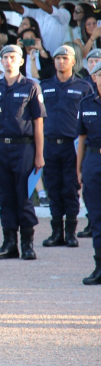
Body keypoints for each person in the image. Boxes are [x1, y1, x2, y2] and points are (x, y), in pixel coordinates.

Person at [0, 45, 46, 261]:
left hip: (24, 147)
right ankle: (9, 243)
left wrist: (39, 154)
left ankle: (27, 243)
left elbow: (38, 123)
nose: (8, 61)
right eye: (5, 57)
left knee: (24, 196)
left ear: (21, 61)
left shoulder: (31, 87)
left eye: (13, 57)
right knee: (5, 196)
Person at [38, 45, 90, 248]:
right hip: (50, 145)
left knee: (70, 188)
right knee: (53, 189)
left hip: (72, 146)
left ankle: (70, 232)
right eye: (58, 58)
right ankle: (56, 232)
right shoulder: (44, 86)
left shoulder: (83, 87)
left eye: (65, 58)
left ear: (73, 62)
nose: (61, 62)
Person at [75, 64, 101, 284]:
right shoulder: (86, 104)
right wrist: (79, 169)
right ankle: (99, 266)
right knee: (96, 215)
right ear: (94, 78)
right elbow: (82, 139)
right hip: (93, 159)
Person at [7, 0, 72, 54]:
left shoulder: (64, 14)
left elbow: (52, 11)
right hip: (38, 55)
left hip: (55, 56)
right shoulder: (39, 12)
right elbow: (20, 10)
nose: (46, 1)